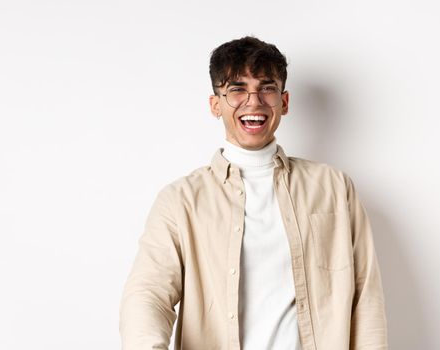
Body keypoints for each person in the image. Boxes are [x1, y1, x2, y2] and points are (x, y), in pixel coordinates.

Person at [119, 36, 388, 350]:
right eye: (237, 89)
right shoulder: (180, 200)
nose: (254, 101)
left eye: (267, 88)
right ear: (215, 104)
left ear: (284, 102)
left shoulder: (334, 187)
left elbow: (366, 294)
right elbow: (148, 293)